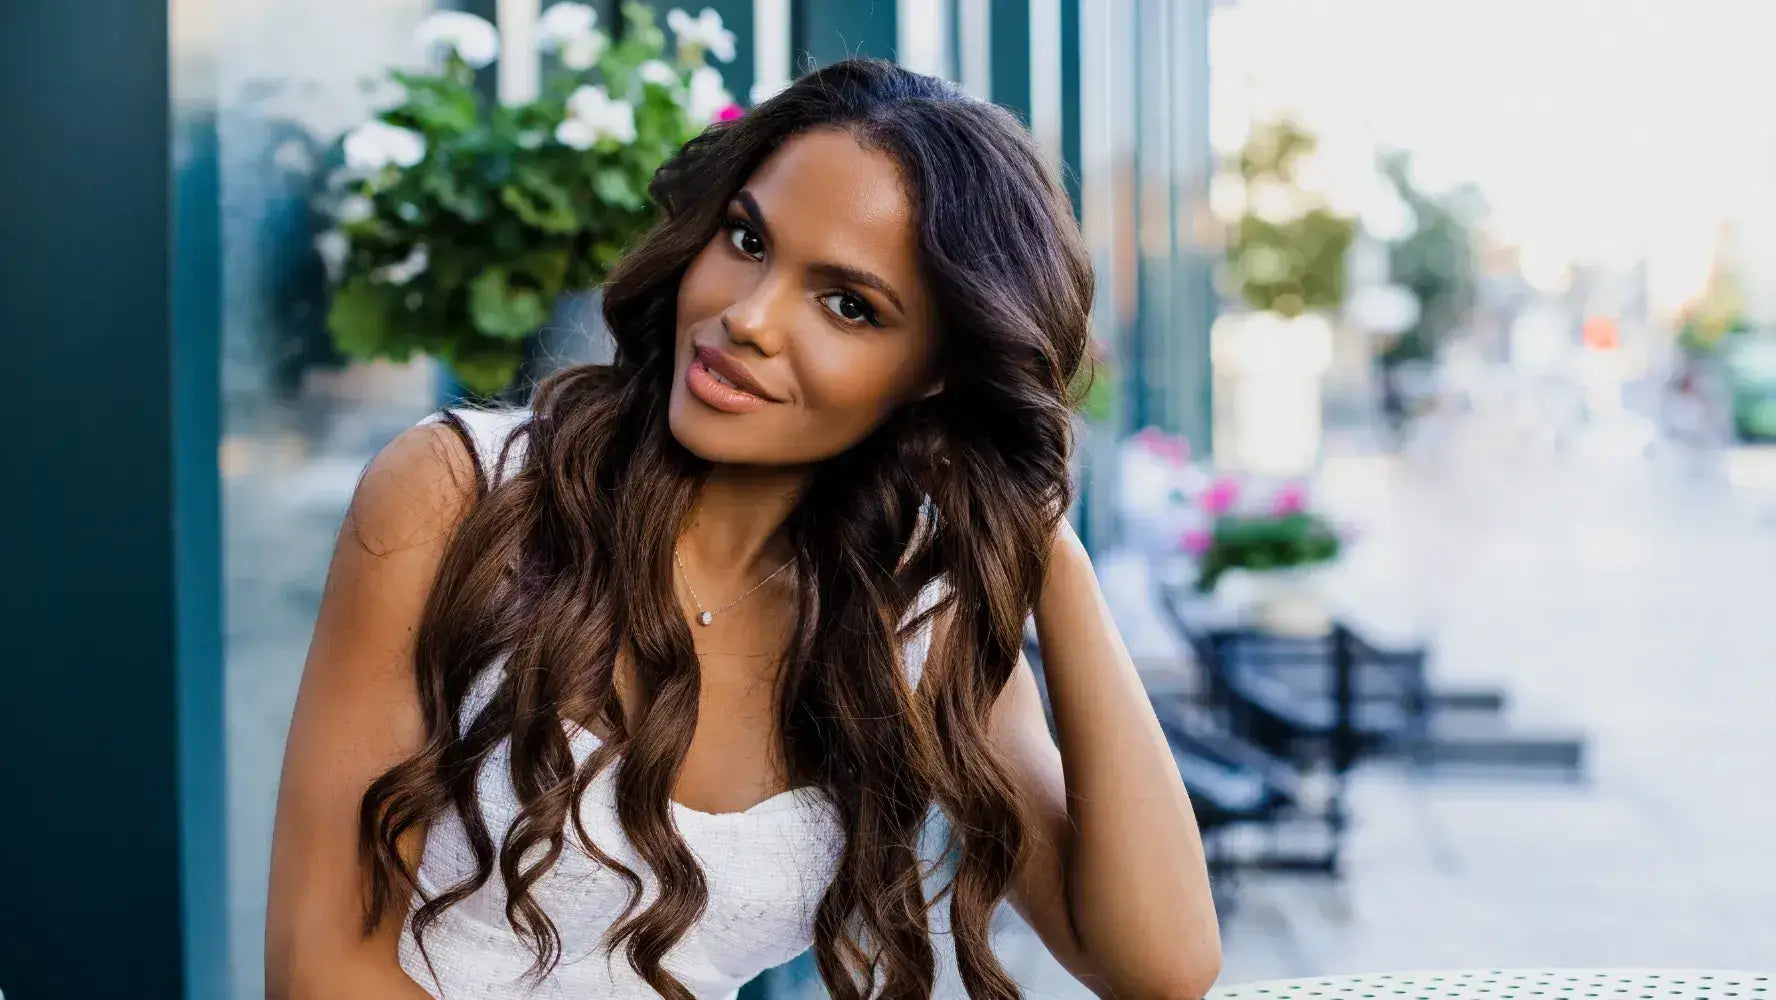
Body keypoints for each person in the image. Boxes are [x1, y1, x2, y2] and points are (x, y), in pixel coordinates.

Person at [265, 59, 1220, 1000]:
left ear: (937, 372)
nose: (747, 317)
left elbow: (1158, 966)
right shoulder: (462, 497)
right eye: (747, 239)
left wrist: (1048, 547)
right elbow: (318, 971)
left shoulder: (913, 619)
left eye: (849, 305)